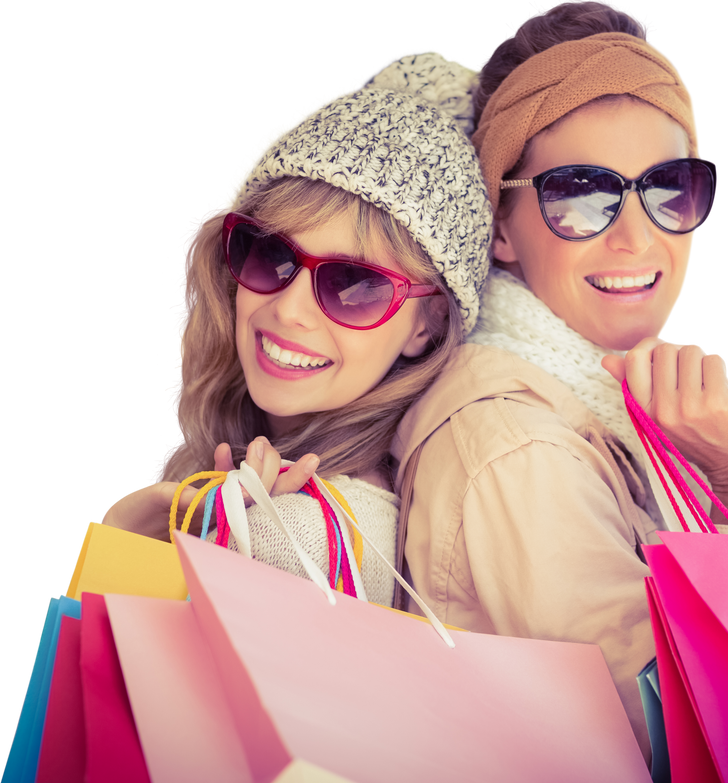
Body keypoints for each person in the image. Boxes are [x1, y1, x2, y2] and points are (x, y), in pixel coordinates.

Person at [390, 3, 728, 765]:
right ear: (498, 225)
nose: (637, 236)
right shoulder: (516, 447)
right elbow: (692, 738)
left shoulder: (622, 406)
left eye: (671, 188)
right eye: (580, 193)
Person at [100, 50, 492, 608]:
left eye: (356, 285)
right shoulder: (236, 472)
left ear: (426, 327)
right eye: (269, 254)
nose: (289, 310)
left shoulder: (302, 536)